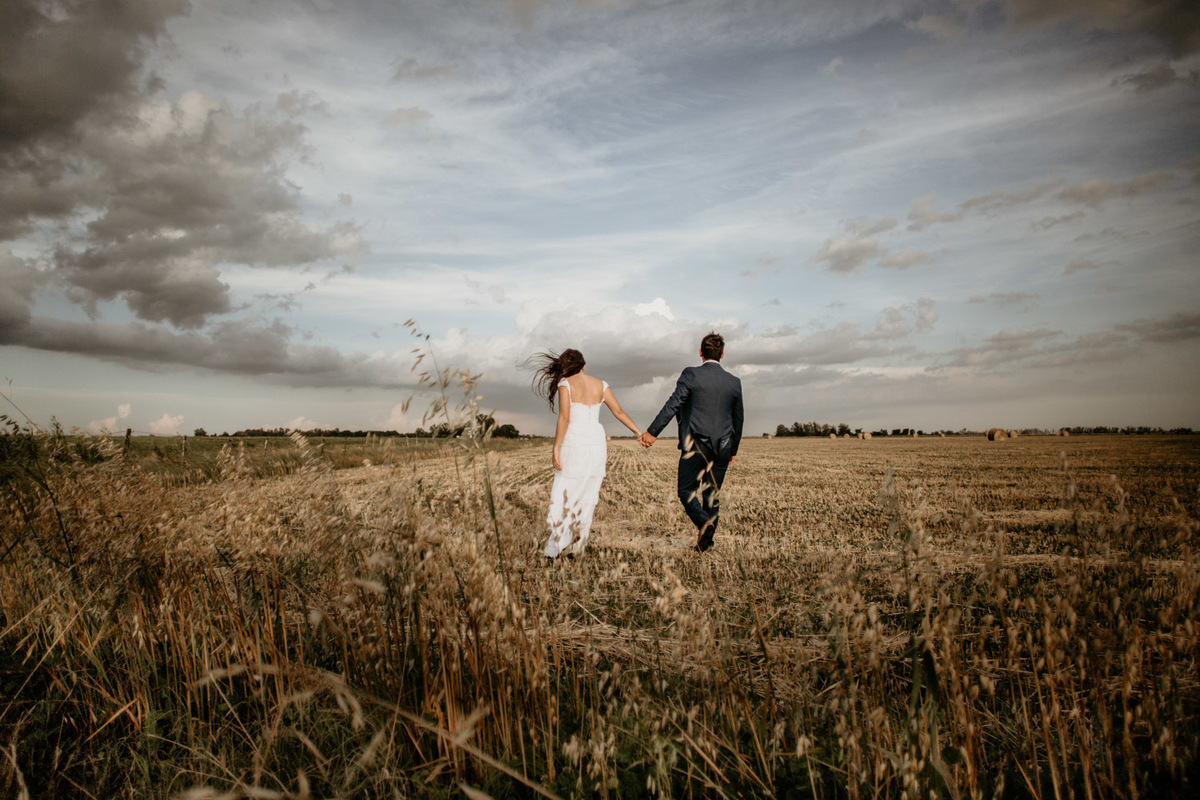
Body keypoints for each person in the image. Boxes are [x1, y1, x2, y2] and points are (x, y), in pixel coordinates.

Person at [529, 349, 642, 560]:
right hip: (596, 441)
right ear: (583, 365)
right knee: (588, 493)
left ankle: (557, 545)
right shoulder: (601, 384)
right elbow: (618, 412)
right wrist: (638, 433)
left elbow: (564, 418)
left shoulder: (565, 384)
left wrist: (555, 447)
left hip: (574, 440)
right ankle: (578, 546)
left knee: (566, 490)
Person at [638, 332, 743, 552]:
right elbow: (738, 419)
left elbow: (673, 404)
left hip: (696, 443)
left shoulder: (691, 374)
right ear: (722, 354)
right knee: (711, 494)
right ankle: (706, 543)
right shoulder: (734, 382)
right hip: (724, 446)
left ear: (700, 352)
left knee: (686, 490)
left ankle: (704, 524)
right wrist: (733, 449)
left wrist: (653, 432)